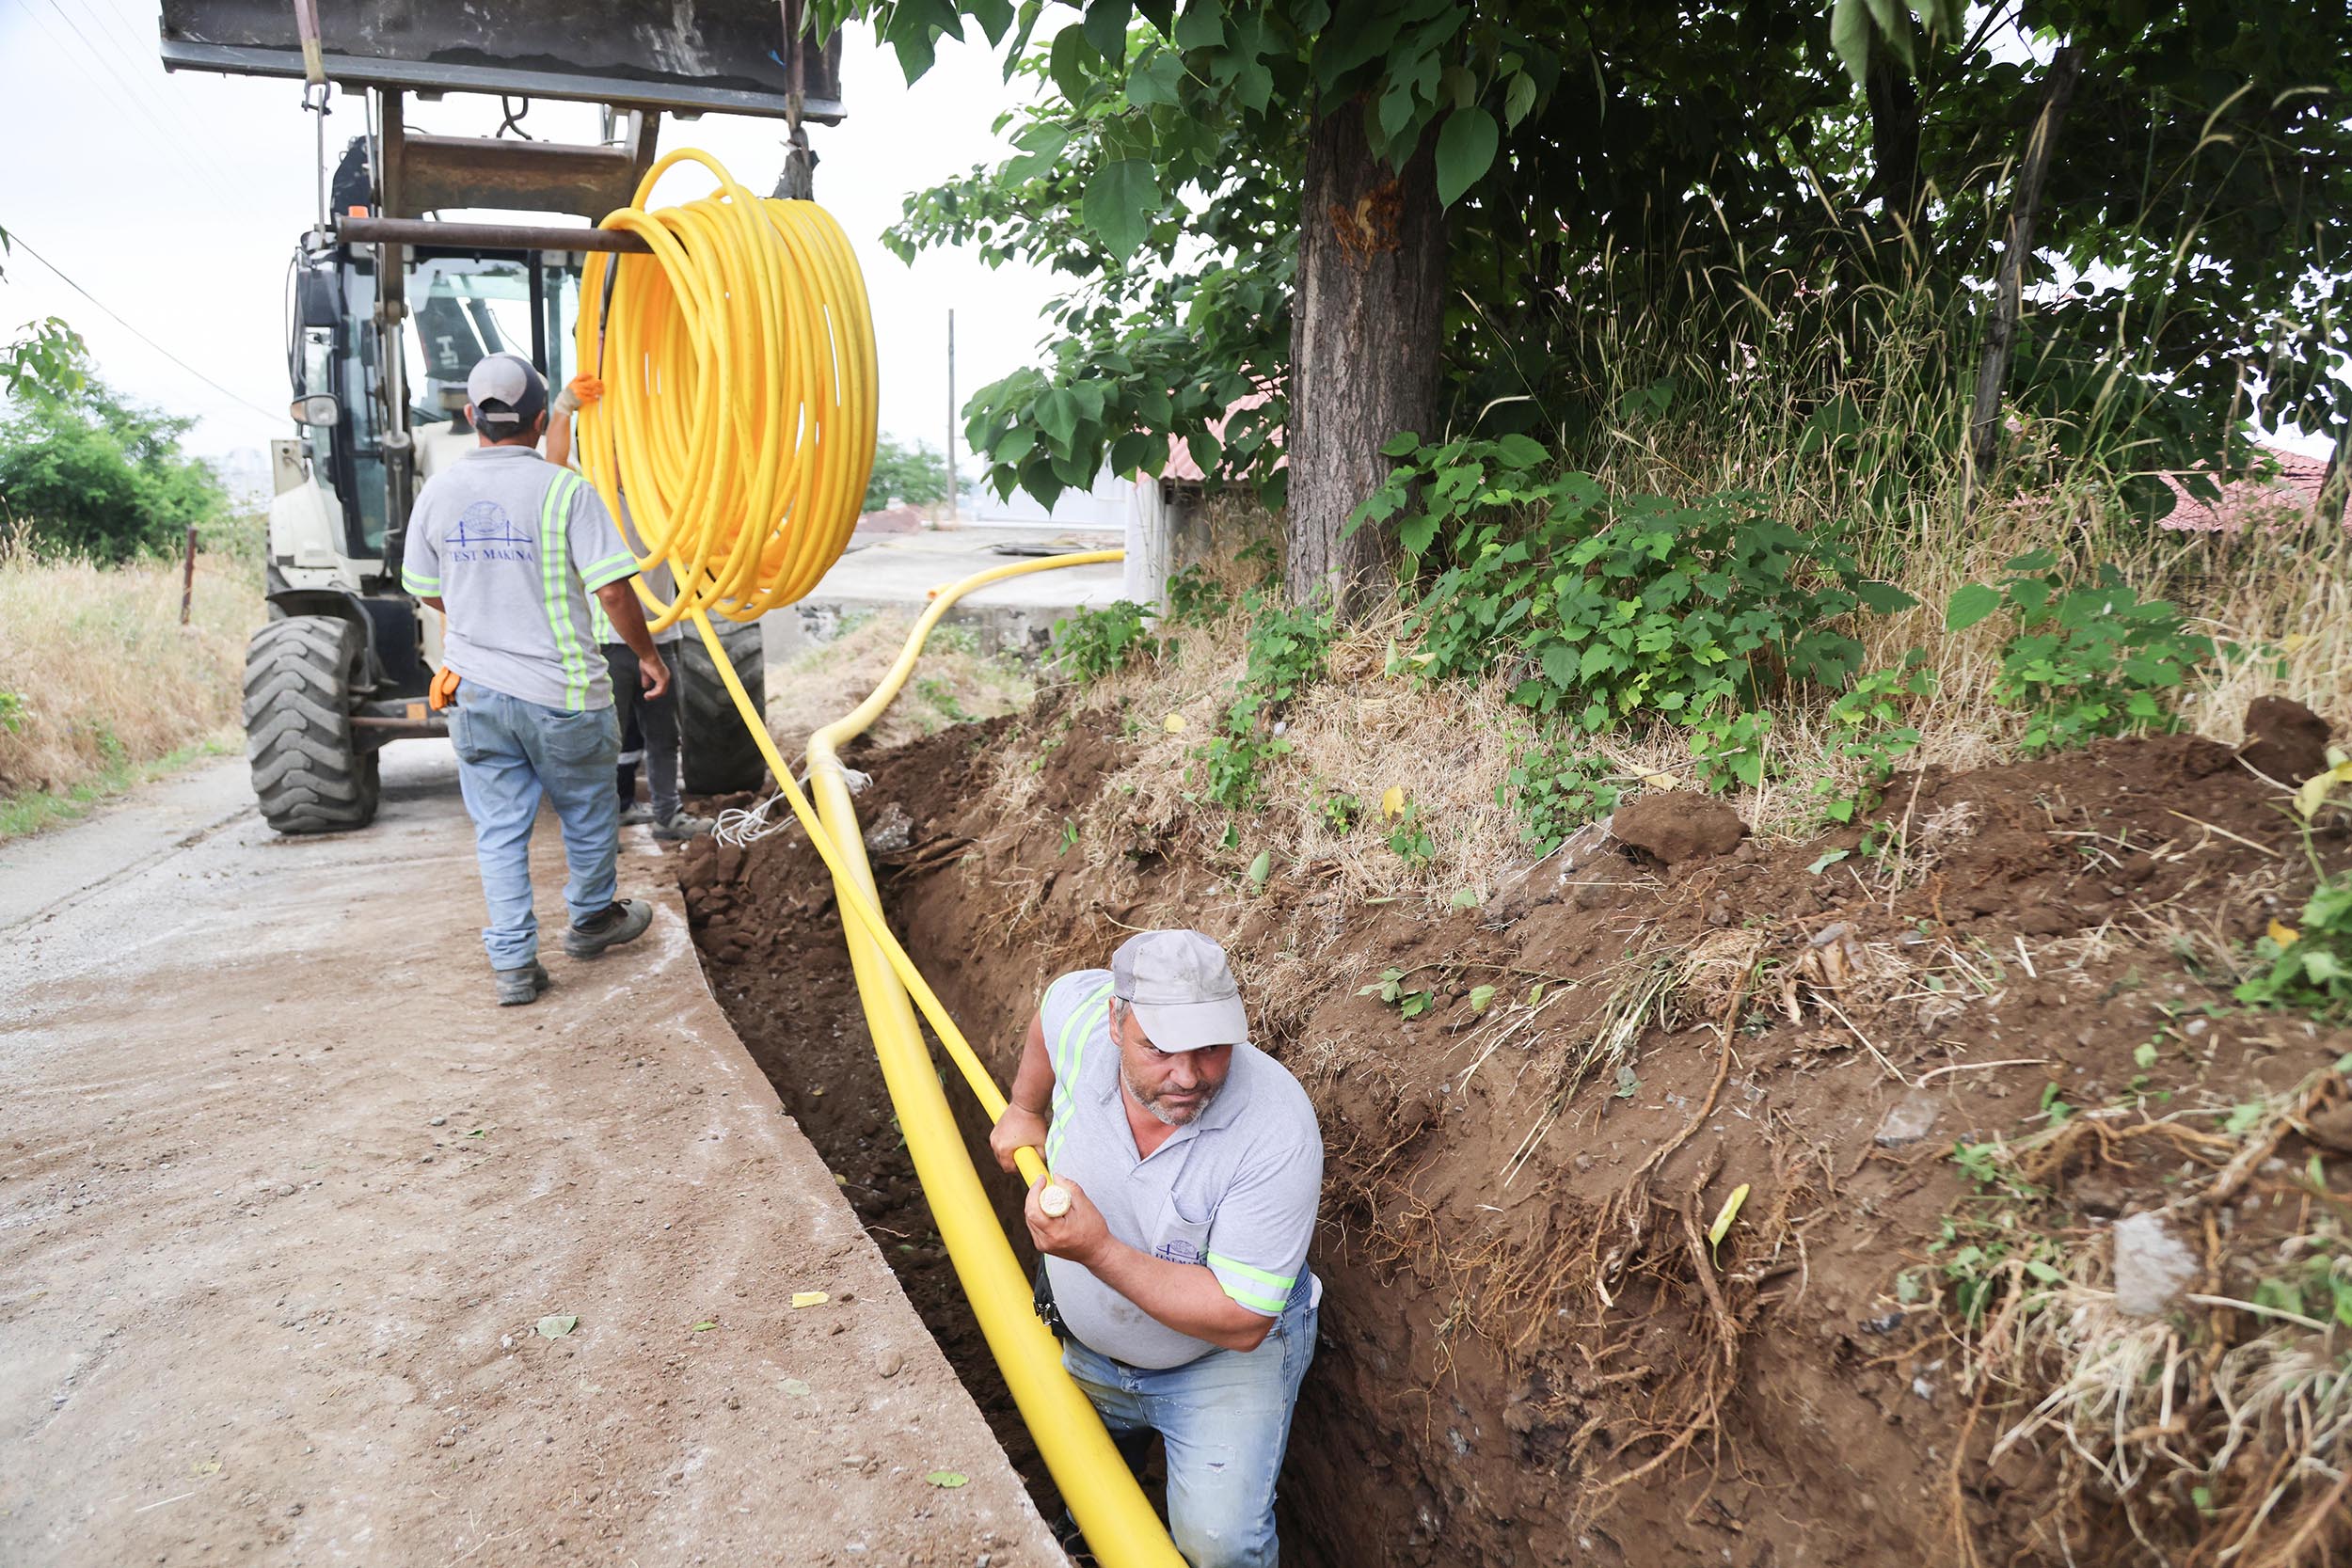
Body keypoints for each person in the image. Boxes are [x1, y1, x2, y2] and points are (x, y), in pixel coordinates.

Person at [988, 929, 1322, 1568]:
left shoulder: (1276, 1128)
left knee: (1220, 1546)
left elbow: (1242, 1319)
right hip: (1088, 1350)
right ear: (1118, 1022)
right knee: (1090, 1488)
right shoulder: (1088, 1024)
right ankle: (1091, 1533)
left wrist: (1095, 1249)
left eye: (1212, 1049)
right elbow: (1052, 1008)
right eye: (1160, 1048)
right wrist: (1024, 1107)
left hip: (1216, 1365)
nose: (1188, 1076)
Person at [400, 353, 672, 1006]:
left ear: (470, 417)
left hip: (474, 692)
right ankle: (590, 919)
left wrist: (482, 614)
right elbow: (612, 593)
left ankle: (516, 965)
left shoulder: (436, 492)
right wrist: (649, 656)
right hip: (563, 694)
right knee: (586, 809)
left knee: (498, 829)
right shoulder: (565, 491)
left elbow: (427, 591)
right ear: (541, 418)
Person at [544, 376, 706, 842]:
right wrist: (564, 409)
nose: (624, 459)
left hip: (662, 634)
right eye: (616, 449)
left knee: (663, 735)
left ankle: (668, 815)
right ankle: (614, 811)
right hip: (609, 639)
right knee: (609, 736)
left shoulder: (663, 498)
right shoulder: (587, 493)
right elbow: (553, 466)